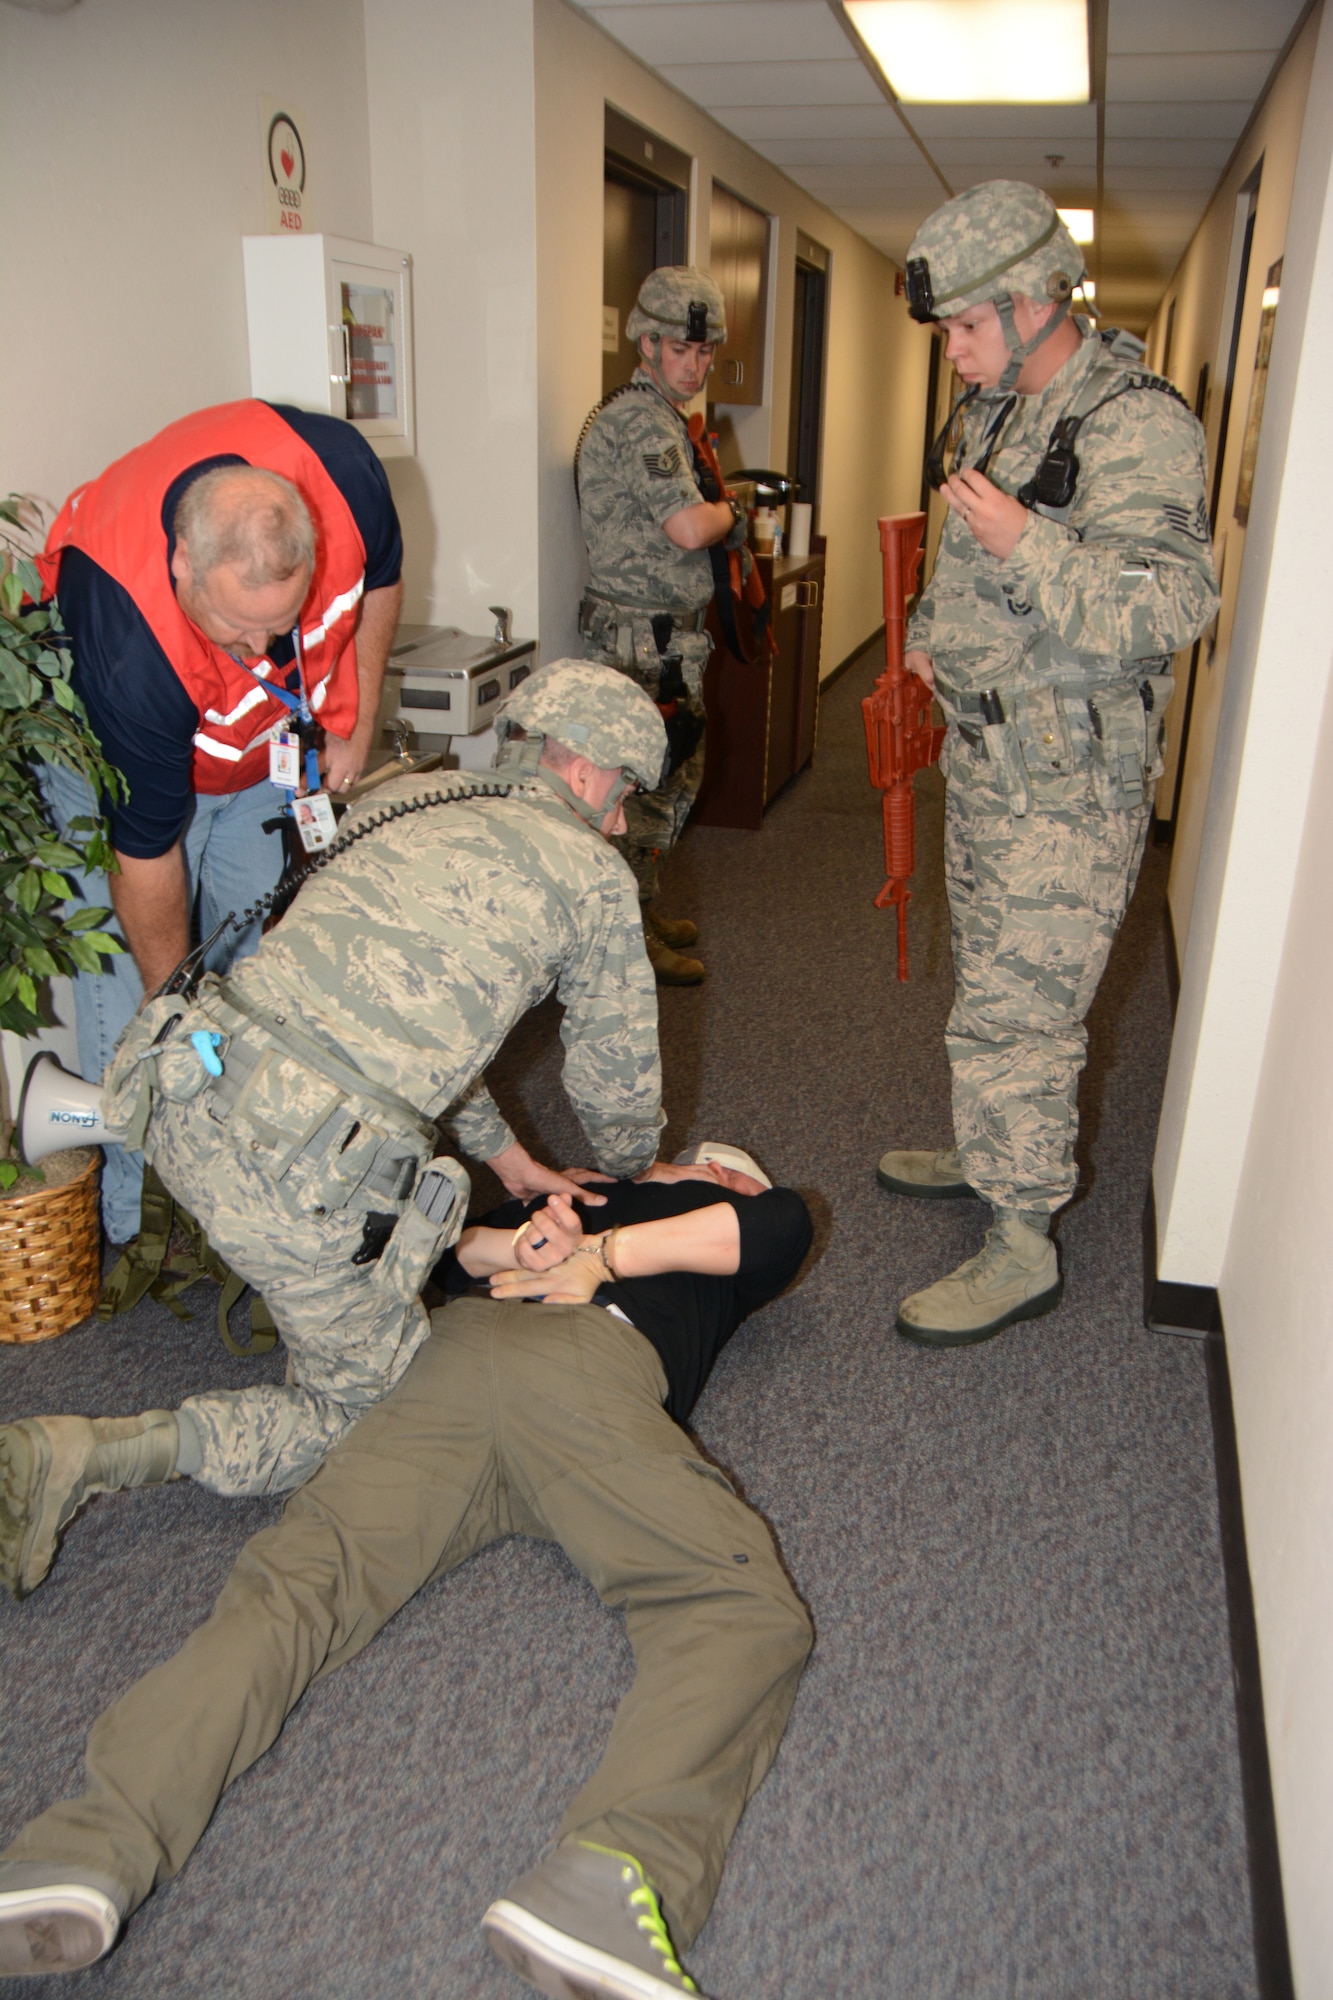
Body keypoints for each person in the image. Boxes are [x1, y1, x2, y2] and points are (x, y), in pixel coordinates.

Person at [0, 1147, 814, 2000]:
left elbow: (773, 1227)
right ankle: (612, 1882)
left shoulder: (709, 1233)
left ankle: (83, 1847)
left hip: (475, 1377)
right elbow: (452, 1255)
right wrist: (529, 1243)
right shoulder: (582, 1195)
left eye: (711, 1165)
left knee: (301, 1587)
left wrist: (595, 1257)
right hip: (548, 1369)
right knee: (735, 1608)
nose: (690, 1162)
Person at [0, 661, 672, 1597]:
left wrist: (506, 1157)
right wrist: (640, 1170)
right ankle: (90, 1452)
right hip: (295, 1186)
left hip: (183, 1104)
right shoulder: (595, 879)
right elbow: (615, 1089)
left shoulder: (409, 796)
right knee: (375, 1409)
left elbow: (406, 1019)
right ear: (595, 773)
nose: (616, 822)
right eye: (625, 796)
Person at [877, 181, 1219, 1347]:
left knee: (1029, 1015)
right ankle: (992, 1151)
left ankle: (1021, 1240)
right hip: (985, 760)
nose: (954, 353)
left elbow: (1172, 601)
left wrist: (1031, 544)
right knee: (991, 984)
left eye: (967, 328)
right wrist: (928, 642)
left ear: (1033, 304)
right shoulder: (994, 404)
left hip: (1067, 783)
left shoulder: (1135, 421)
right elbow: (958, 558)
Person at [34, 401, 405, 1244]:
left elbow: (380, 579)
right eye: (236, 627)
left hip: (250, 753)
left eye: (279, 626)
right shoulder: (125, 634)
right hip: (129, 762)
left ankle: (232, 1202)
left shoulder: (344, 474)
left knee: (248, 968)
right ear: (182, 564)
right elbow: (146, 855)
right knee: (142, 1000)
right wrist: (176, 1008)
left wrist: (357, 715)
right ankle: (141, 1227)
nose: (258, 651)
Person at [576, 267, 747, 986]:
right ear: (645, 343)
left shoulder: (658, 415)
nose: (696, 364)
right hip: (644, 641)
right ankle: (628, 941)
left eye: (705, 353)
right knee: (647, 793)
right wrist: (732, 511)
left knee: (661, 783)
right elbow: (685, 526)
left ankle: (641, 913)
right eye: (682, 349)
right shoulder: (641, 422)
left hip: (661, 635)